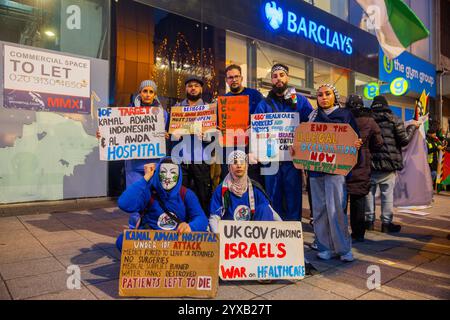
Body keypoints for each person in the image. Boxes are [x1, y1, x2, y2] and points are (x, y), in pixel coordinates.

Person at [299, 84, 361, 262]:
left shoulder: (345, 115)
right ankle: (324, 246)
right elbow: (303, 138)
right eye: (320, 95)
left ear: (335, 95)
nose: (323, 97)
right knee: (319, 210)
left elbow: (355, 139)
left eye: (327, 94)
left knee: (336, 210)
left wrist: (356, 143)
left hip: (336, 171)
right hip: (315, 170)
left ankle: (343, 249)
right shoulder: (312, 116)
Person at [97, 80, 169, 229]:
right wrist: (103, 133)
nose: (147, 94)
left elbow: (170, 134)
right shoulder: (127, 111)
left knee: (156, 197)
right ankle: (134, 230)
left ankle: (155, 228)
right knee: (136, 196)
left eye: (151, 92)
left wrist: (167, 135)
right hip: (133, 164)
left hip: (154, 162)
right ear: (140, 93)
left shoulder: (163, 114)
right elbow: (115, 130)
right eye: (145, 91)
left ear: (155, 94)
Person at [254, 63, 314, 221]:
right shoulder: (264, 104)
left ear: (287, 77)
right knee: (272, 197)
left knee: (293, 196)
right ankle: (276, 230)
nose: (278, 79)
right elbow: (256, 130)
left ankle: (294, 230)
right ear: (272, 80)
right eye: (275, 76)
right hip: (270, 159)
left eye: (281, 75)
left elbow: (311, 124)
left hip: (292, 159)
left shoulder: (300, 100)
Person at [115, 157, 208, 251]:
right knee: (122, 241)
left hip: (176, 242)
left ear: (179, 175)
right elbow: (124, 204)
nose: (167, 176)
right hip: (150, 242)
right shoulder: (149, 192)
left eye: (172, 172)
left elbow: (201, 218)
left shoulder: (186, 194)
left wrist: (190, 227)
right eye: (163, 172)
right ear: (158, 174)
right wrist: (145, 178)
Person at [365, 95, 420, 233]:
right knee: (387, 194)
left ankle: (368, 222)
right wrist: (412, 127)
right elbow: (404, 140)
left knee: (369, 194)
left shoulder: (368, 120)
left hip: (370, 163)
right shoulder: (394, 119)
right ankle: (386, 224)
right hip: (389, 163)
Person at [209, 150, 280, 233]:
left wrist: (285, 230)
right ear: (229, 167)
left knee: (264, 209)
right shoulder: (221, 190)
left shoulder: (255, 188)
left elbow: (270, 211)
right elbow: (214, 218)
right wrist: (219, 239)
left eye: (242, 162)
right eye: (235, 163)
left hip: (253, 236)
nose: (239, 165)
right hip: (230, 237)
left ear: (246, 166)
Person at [171, 76, 213, 215]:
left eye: (196, 86)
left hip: (202, 158)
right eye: (190, 86)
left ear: (201, 89)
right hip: (181, 159)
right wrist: (173, 135)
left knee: (204, 194)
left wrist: (207, 136)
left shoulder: (208, 108)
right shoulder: (177, 109)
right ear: (185, 89)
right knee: (181, 193)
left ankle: (204, 222)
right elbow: (169, 132)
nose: (193, 88)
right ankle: (182, 221)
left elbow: (215, 135)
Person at [345, 94, 383, 242]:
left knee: (340, 202)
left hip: (342, 166)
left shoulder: (343, 119)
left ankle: (340, 232)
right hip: (361, 165)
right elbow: (378, 143)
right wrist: (367, 149)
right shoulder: (370, 121)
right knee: (358, 201)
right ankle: (358, 234)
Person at [221, 64, 265, 186]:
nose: (234, 80)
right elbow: (219, 124)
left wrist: (255, 126)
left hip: (250, 147)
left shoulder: (255, 95)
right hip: (230, 147)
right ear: (226, 80)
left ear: (242, 78)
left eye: (236, 76)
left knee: (253, 181)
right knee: (231, 181)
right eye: (230, 77)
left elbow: (264, 116)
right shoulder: (223, 100)